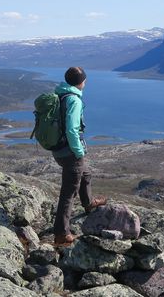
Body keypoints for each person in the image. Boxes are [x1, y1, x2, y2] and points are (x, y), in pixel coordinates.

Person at [52, 67, 106, 246]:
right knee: (68, 193)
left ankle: (89, 202)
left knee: (86, 173)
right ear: (80, 81)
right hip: (70, 152)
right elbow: (72, 129)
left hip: (59, 149)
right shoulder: (74, 100)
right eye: (84, 79)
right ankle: (61, 233)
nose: (86, 82)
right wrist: (78, 151)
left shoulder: (60, 95)